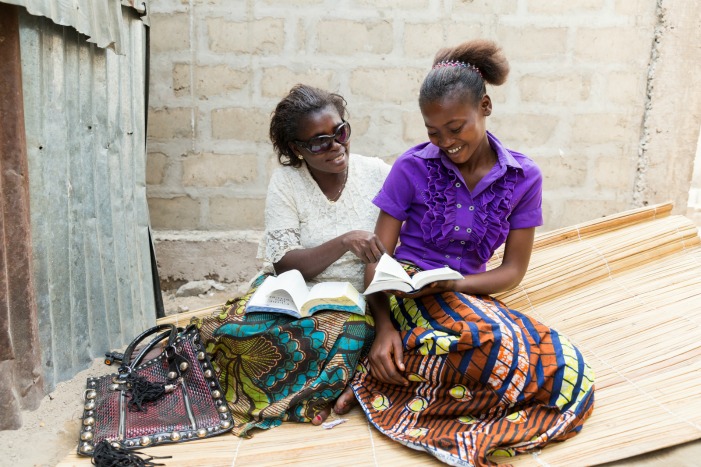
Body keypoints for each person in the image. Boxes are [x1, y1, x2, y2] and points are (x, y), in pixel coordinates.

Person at [350, 40, 595, 466]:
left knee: (564, 366)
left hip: (470, 296)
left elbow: (513, 270)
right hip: (408, 290)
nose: (445, 141)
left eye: (456, 127)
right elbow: (377, 258)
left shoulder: (523, 176)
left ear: (485, 106)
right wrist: (384, 326)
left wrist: (456, 284)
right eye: (433, 131)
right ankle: (400, 382)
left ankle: (439, 390)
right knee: (491, 343)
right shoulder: (412, 167)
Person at [192, 84, 390, 436]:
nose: (335, 145)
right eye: (319, 141)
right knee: (233, 333)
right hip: (294, 289)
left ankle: (314, 395)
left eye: (340, 132)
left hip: (355, 298)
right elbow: (285, 263)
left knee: (342, 333)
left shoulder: (377, 173)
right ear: (297, 149)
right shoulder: (287, 182)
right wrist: (345, 241)